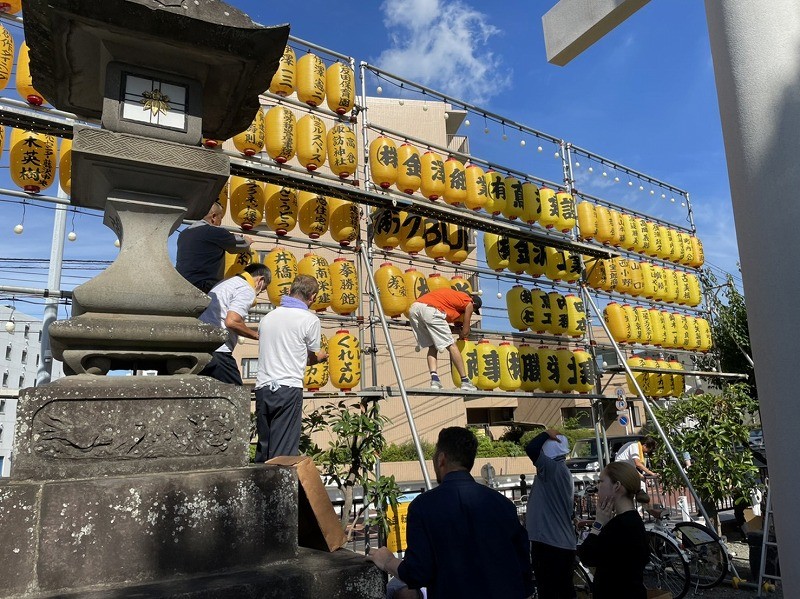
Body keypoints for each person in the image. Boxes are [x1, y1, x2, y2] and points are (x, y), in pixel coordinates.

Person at [366, 427, 533, 599]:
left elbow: (417, 573)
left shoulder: (423, 507)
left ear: (441, 459)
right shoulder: (503, 504)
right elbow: (523, 569)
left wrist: (387, 560)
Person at [254, 274, 328, 461]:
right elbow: (311, 356)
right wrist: (320, 358)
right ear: (312, 297)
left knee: (264, 447)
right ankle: (279, 481)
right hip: (288, 388)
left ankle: (259, 479)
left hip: (263, 387)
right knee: (283, 452)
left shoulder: (267, 317)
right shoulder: (310, 320)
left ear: (289, 291)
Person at [577, 462, 650, 599]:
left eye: (601, 481)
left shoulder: (619, 525)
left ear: (617, 486)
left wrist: (598, 524)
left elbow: (587, 555)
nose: (597, 487)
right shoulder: (633, 520)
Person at [198, 262, 270, 385]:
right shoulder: (246, 288)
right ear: (261, 280)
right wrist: (257, 335)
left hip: (202, 347)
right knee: (236, 392)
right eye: (263, 289)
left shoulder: (226, 283)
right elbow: (232, 321)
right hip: (219, 350)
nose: (258, 294)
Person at [525, 429, 575, 599]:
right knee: (563, 592)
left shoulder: (552, 469)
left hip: (550, 543)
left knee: (550, 592)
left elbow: (531, 449)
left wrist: (546, 434)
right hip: (560, 542)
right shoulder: (561, 471)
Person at [407, 288, 481, 391]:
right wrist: (462, 335)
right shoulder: (469, 302)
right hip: (431, 310)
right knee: (452, 346)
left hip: (414, 309)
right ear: (474, 303)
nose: (471, 311)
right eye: (473, 310)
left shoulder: (454, 297)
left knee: (432, 346)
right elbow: (465, 331)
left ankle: (435, 380)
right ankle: (465, 381)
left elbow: (446, 323)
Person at [176, 201, 252, 293]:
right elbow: (238, 244)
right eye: (221, 218)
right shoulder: (213, 231)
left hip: (181, 285)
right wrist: (247, 240)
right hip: (204, 286)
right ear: (214, 217)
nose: (220, 222)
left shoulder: (184, 234)